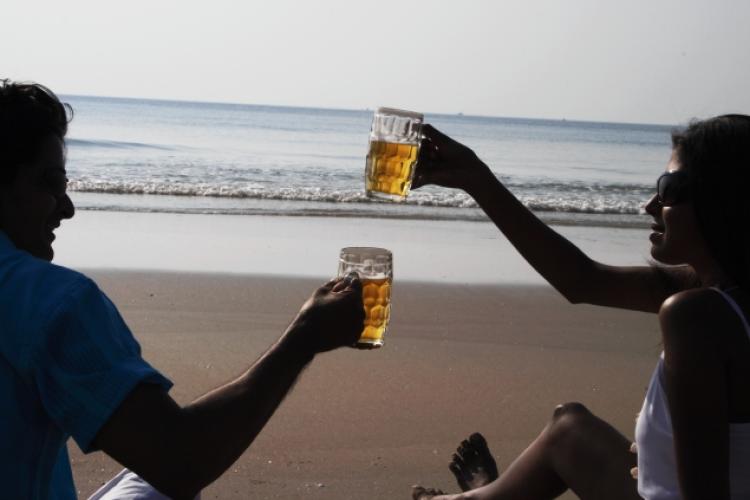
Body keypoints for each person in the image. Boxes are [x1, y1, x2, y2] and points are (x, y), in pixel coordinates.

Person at [0, 79, 365, 499]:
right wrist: (303, 339)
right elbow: (182, 460)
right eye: (49, 183)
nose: (67, 207)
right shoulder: (48, 302)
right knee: (160, 485)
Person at [410, 115, 750, 500]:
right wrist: (476, 178)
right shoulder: (718, 294)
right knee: (569, 429)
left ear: (723, 199)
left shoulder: (696, 316)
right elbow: (581, 280)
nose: (649, 204)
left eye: (669, 189)